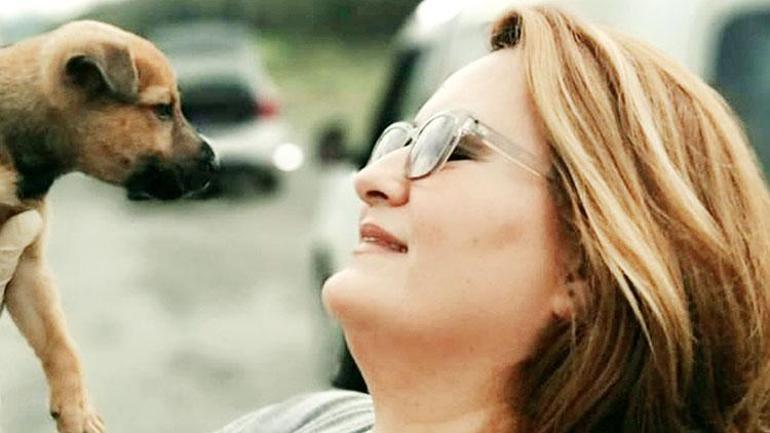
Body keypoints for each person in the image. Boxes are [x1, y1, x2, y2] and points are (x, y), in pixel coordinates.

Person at [4, 5, 769, 433]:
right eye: (397, 138)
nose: (371, 178)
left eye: (452, 146)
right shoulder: (295, 425)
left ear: (590, 265)